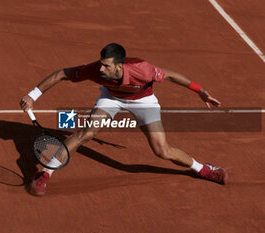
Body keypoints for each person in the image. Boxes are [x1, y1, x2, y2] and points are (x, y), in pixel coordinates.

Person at [20, 43, 228, 196]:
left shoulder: (143, 70)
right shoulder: (95, 70)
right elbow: (61, 74)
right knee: (86, 133)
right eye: (101, 64)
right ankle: (45, 173)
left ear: (119, 67)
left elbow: (171, 75)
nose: (101, 69)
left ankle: (203, 169)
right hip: (111, 98)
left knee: (162, 151)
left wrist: (201, 91)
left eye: (106, 66)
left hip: (143, 101)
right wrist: (32, 95)